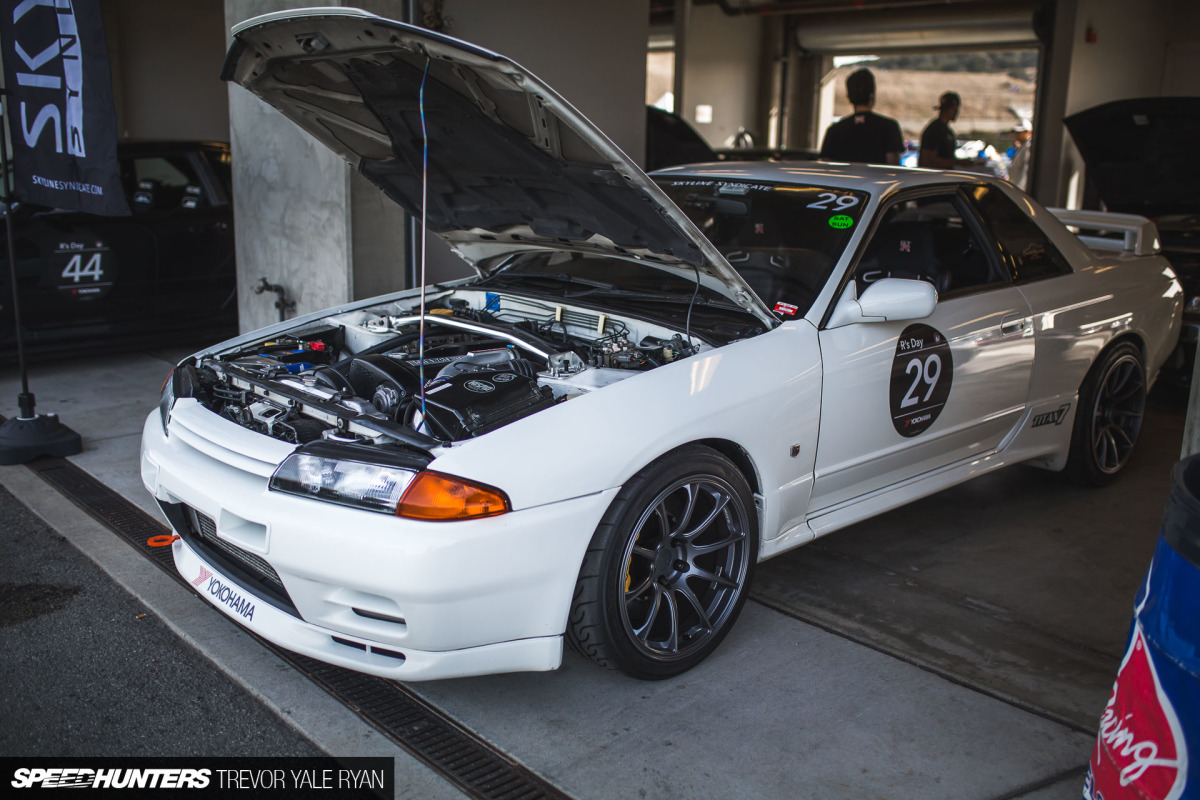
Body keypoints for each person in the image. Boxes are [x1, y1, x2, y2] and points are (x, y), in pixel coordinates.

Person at [819, 68, 903, 166]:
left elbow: (825, 167)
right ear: (872, 95)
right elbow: (893, 167)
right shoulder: (890, 127)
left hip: (844, 176)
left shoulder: (834, 130)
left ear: (848, 97)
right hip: (875, 176)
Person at [919, 91, 977, 169]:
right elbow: (927, 161)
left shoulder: (946, 131)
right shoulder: (934, 130)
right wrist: (957, 162)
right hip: (935, 175)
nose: (956, 112)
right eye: (955, 109)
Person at [1007, 120, 1032, 191]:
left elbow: (1025, 170)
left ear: (1028, 132)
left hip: (1019, 189)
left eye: (1020, 132)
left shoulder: (1028, 147)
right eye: (1016, 132)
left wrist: (1020, 190)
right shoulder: (1022, 146)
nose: (1016, 134)